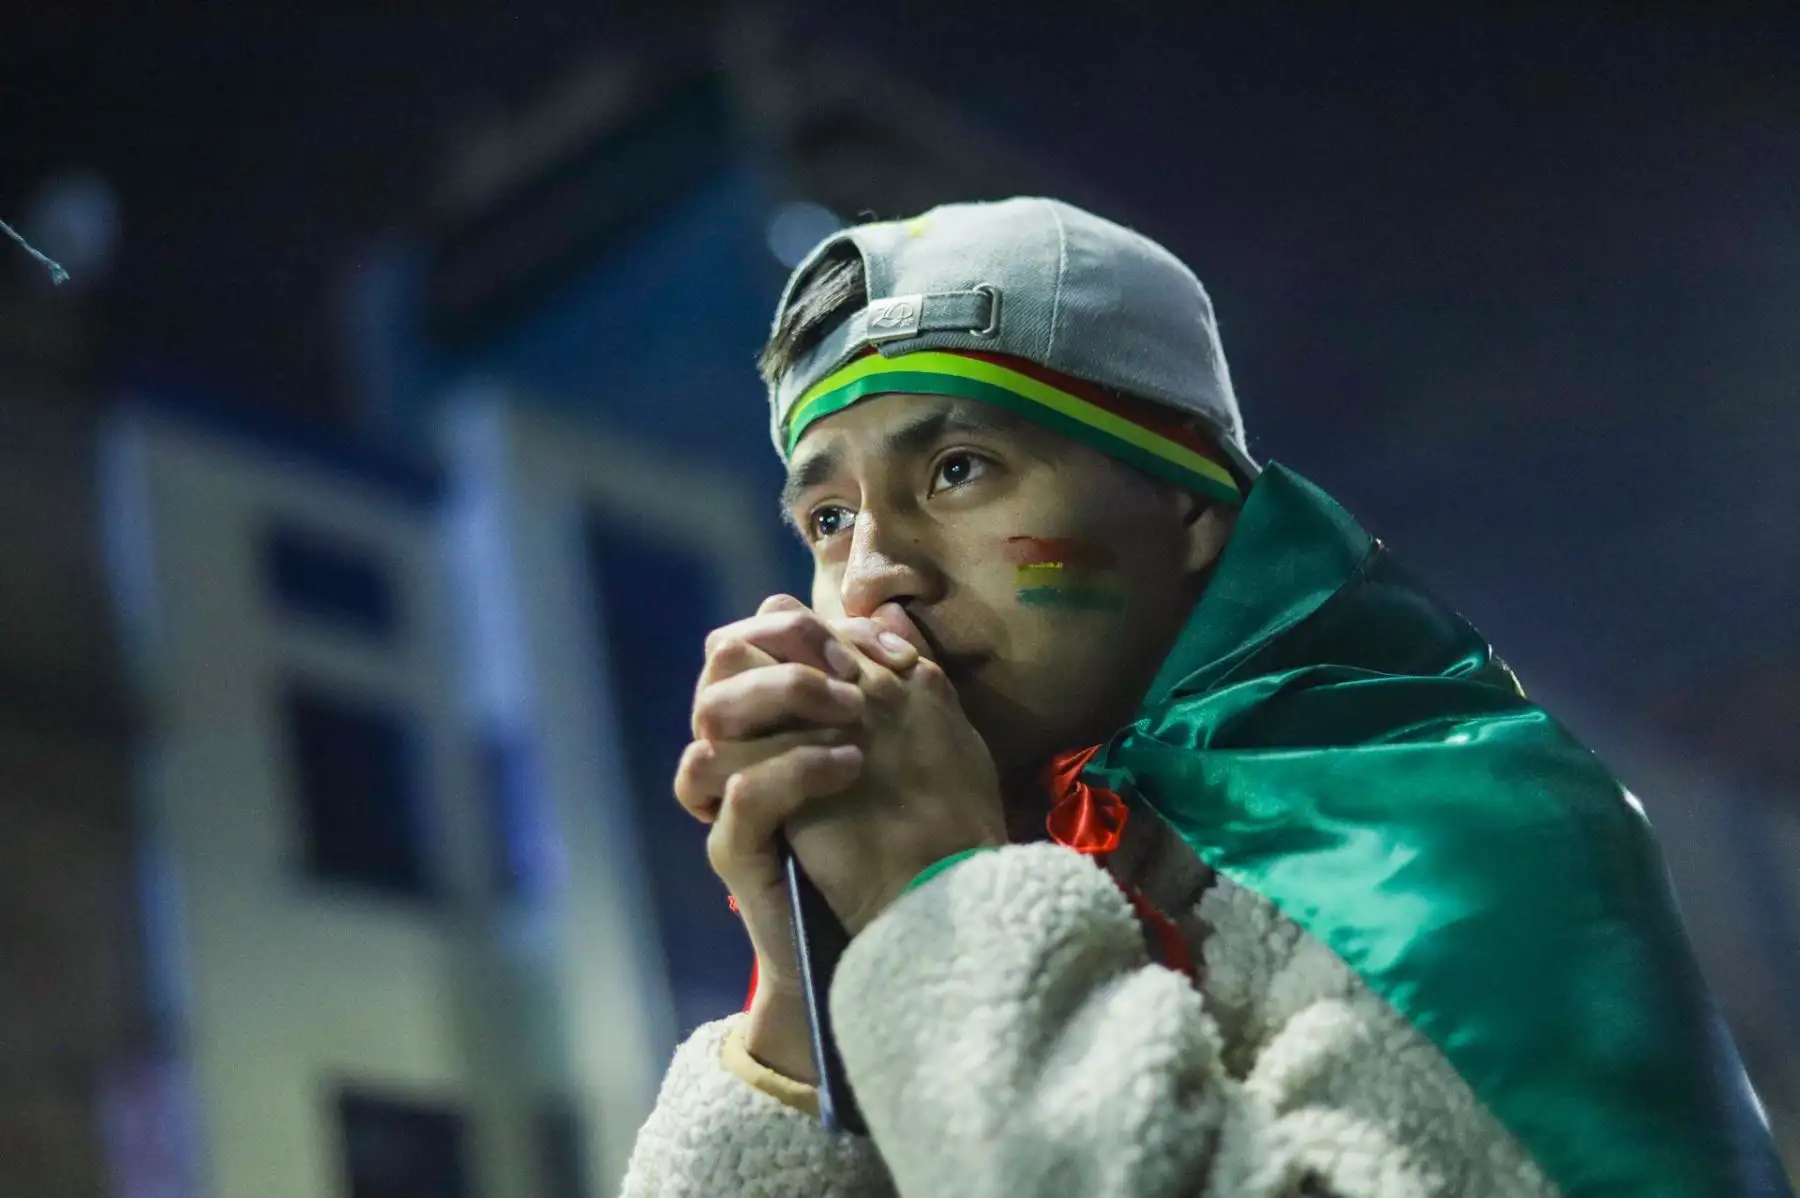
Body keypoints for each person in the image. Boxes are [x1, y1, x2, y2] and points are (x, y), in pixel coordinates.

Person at [620, 198, 1789, 1197]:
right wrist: (804, 999)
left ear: (1189, 506)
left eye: (958, 469)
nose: (871, 573)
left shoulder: (1467, 830)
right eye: (828, 519)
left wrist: (939, 897)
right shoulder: (1034, 863)